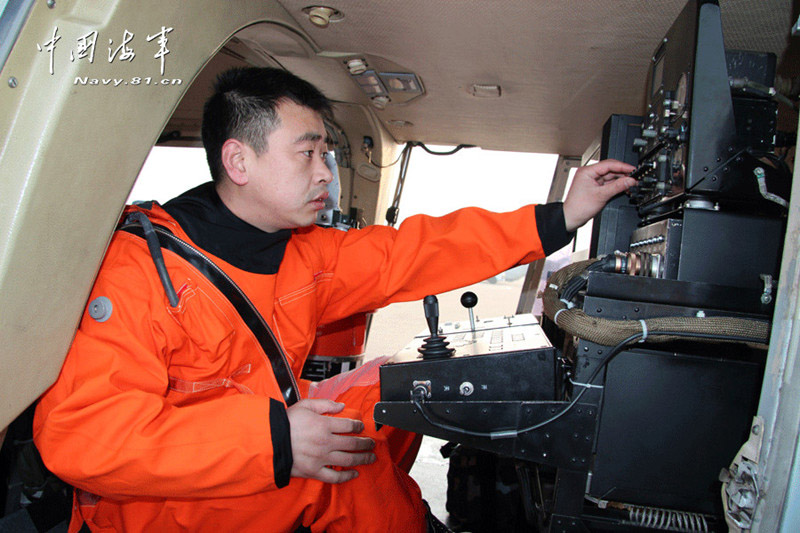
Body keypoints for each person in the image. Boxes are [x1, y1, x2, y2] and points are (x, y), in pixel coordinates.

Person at [33, 67, 636, 532]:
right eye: (308, 152)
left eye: (326, 154)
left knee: (399, 384)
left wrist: (561, 216)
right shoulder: (141, 271)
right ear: (238, 160)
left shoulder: (303, 252)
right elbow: (82, 438)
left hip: (241, 450)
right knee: (343, 464)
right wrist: (276, 442)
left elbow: (414, 252)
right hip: (151, 505)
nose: (325, 172)